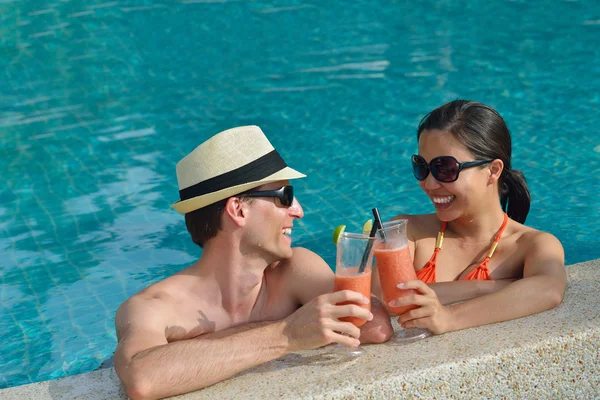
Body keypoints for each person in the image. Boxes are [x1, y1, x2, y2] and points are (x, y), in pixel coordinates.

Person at [113, 126, 392, 400]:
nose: (299, 211)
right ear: (238, 209)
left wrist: (204, 346)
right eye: (285, 197)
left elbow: (376, 326)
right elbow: (142, 380)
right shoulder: (152, 306)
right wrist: (286, 334)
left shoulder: (294, 270)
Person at [385, 100, 566, 335]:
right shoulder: (407, 231)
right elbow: (388, 297)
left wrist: (449, 317)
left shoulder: (532, 245)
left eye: (446, 168)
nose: (429, 183)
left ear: (493, 171)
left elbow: (548, 289)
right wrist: (493, 287)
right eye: (422, 167)